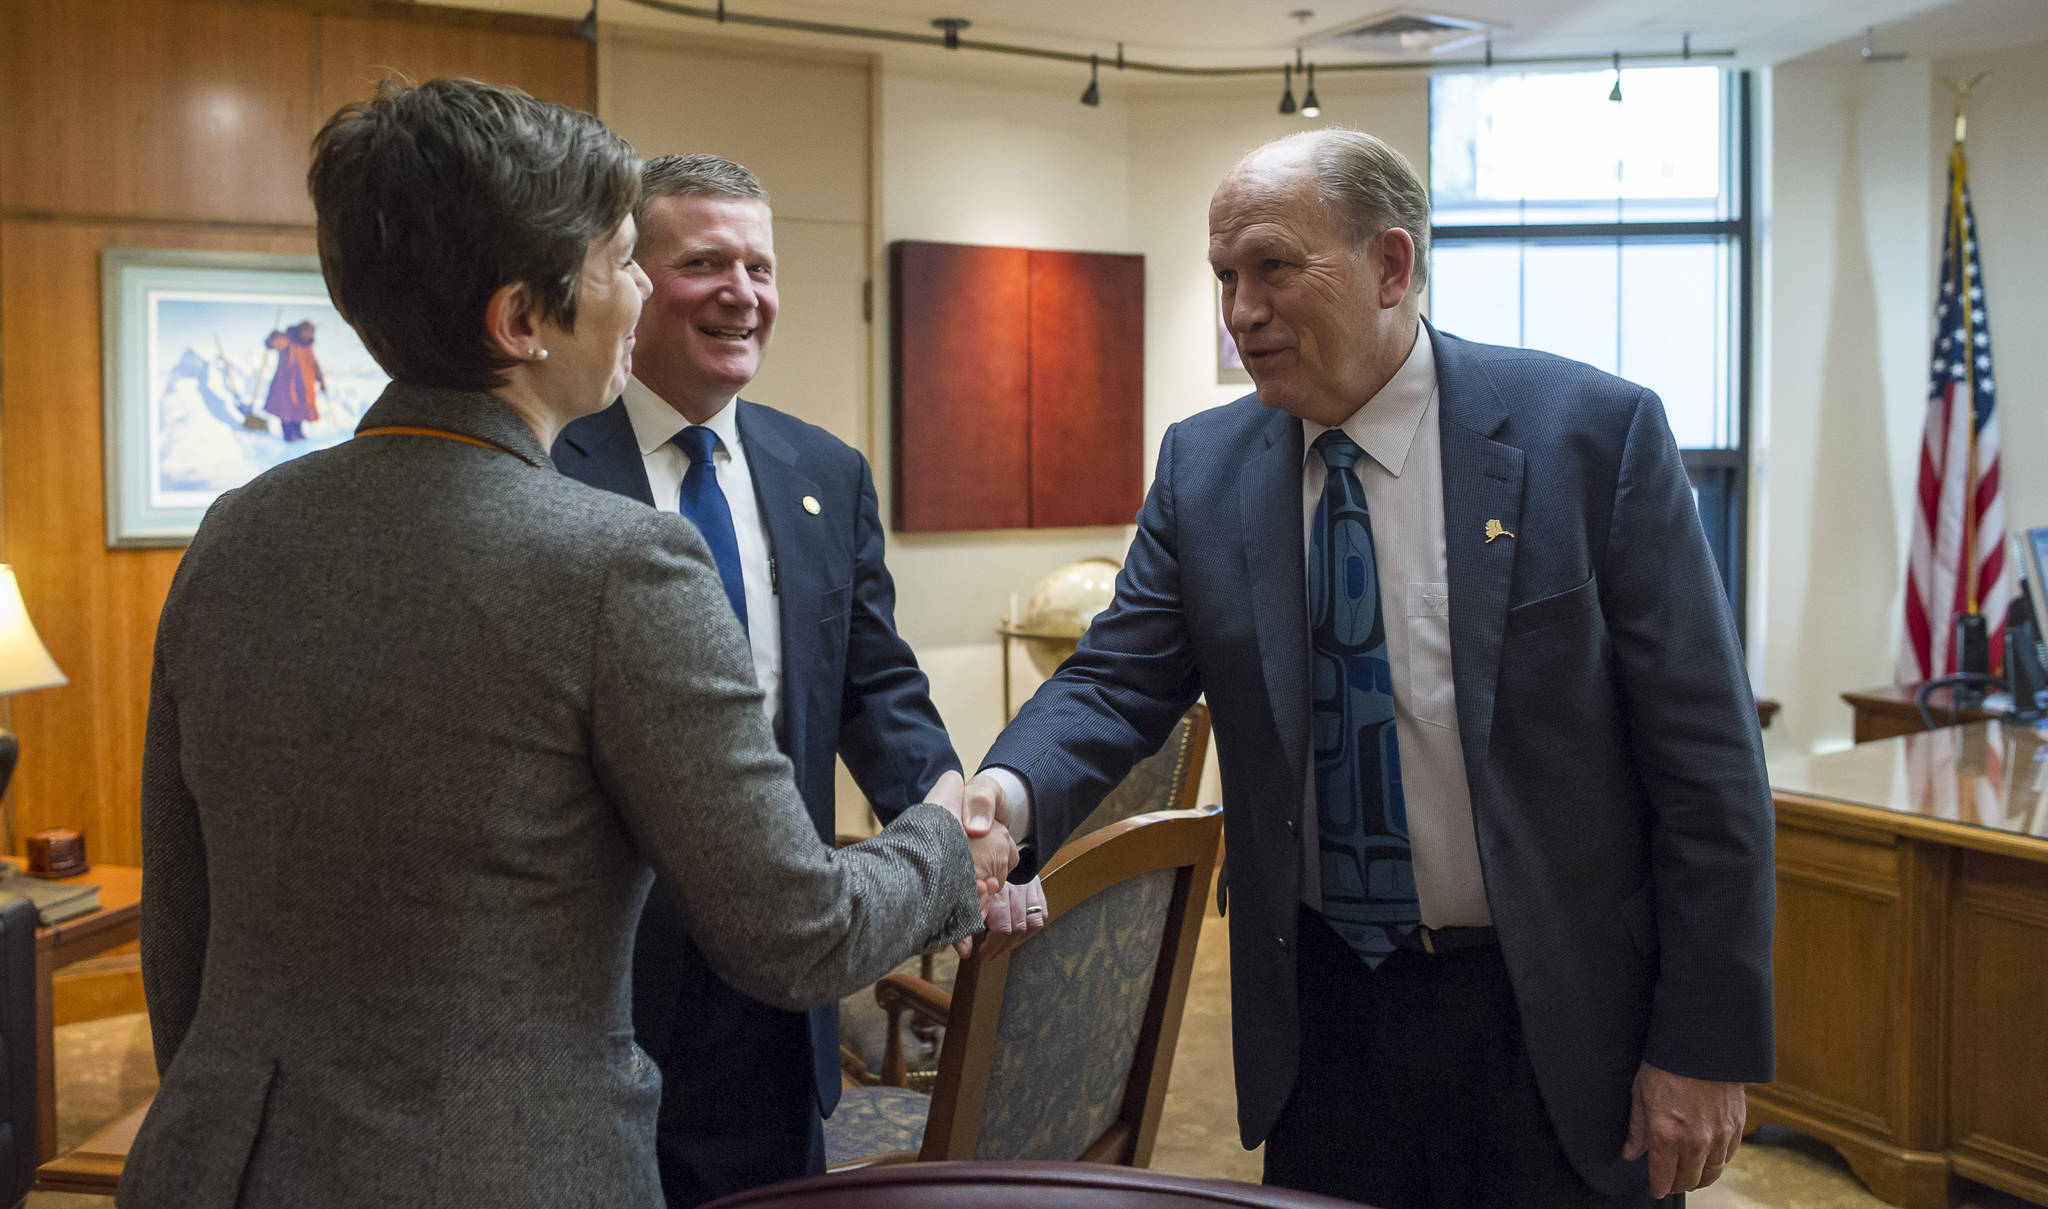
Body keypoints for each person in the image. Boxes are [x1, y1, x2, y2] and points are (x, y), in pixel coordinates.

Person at [126, 78, 1014, 1209]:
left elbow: (182, 912)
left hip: (222, 1164)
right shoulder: (617, 562)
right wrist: (949, 840)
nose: (641, 289)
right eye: (621, 260)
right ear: (520, 320)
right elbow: (797, 935)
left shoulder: (237, 530)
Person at [966, 128, 1775, 1209]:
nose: (1238, 310)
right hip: (1324, 1016)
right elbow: (1114, 682)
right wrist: (1003, 797)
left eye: (1269, 268)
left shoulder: (1590, 438)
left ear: (1390, 266)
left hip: (1555, 1016)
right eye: (1222, 276)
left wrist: (1702, 1043)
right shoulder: (1203, 469)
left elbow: (1707, 766)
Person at [553, 153, 1047, 1207]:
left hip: (779, 982)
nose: (743, 293)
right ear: (633, 280)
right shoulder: (545, 467)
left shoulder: (822, 473)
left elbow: (880, 693)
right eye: (705, 263)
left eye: (760, 267)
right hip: (593, 988)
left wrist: (958, 837)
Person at [262, 319, 326, 441]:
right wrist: (273, 337)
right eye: (307, 332)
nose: (309, 335)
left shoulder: (307, 346)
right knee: (286, 408)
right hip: (287, 384)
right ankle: (287, 433)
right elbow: (274, 343)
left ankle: (298, 431)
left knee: (300, 408)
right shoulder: (288, 339)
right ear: (301, 330)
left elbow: (314, 365)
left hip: (304, 385)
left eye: (311, 333)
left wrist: (321, 381)